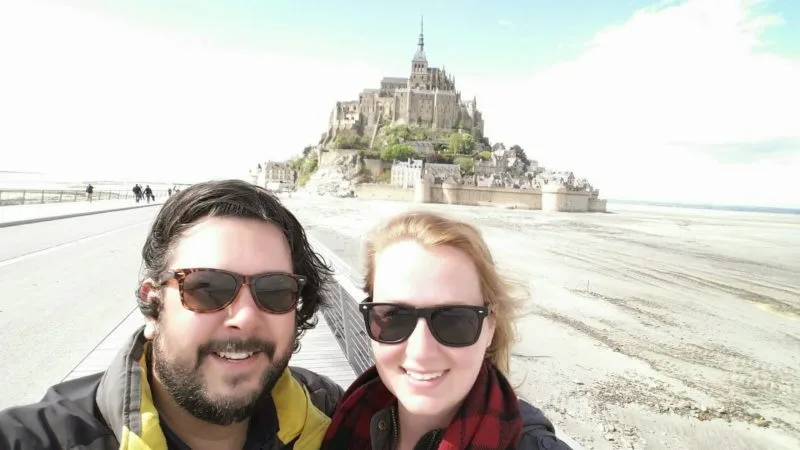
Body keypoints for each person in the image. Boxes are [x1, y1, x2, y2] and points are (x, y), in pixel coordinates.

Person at [0, 179, 344, 450]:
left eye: (274, 291)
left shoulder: (336, 413)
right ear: (153, 306)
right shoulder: (38, 438)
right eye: (208, 287)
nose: (244, 316)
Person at [322, 211, 573, 450]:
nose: (421, 352)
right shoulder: (343, 416)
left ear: (490, 327)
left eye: (453, 320)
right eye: (394, 317)